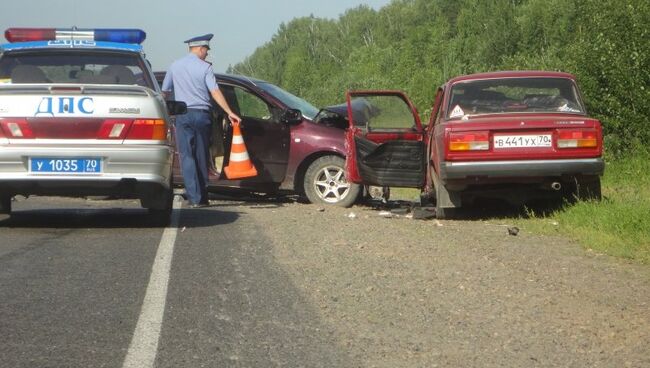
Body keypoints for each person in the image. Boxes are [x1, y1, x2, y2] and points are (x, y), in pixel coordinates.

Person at [162, 33, 241, 208]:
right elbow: (215, 91)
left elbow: (165, 92)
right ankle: (203, 196)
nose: (207, 54)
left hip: (182, 114)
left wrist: (164, 111)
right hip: (203, 115)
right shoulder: (205, 68)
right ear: (199, 48)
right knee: (202, 155)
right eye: (206, 50)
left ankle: (194, 197)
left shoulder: (175, 66)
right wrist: (229, 112)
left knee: (187, 156)